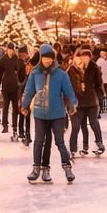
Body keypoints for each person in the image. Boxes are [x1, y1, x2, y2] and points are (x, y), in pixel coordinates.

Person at [22, 43, 78, 184]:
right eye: (45, 58)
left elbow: (69, 90)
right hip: (40, 113)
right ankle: (37, 169)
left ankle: (67, 168)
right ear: (41, 58)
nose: (47, 61)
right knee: (39, 142)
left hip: (57, 114)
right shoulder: (35, 73)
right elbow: (29, 91)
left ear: (54, 59)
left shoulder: (61, 74)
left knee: (59, 141)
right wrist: (24, 105)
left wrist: (73, 102)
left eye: (50, 59)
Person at [67, 46, 106, 157]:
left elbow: (99, 83)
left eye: (86, 57)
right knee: (79, 125)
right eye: (82, 57)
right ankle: (77, 148)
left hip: (92, 101)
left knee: (94, 123)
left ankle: (99, 144)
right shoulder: (72, 70)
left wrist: (100, 96)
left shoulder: (94, 67)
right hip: (78, 102)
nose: (84, 59)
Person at [0, 43, 28, 141]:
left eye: (12, 49)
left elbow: (21, 71)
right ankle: (5, 124)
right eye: (10, 49)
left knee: (15, 107)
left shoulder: (17, 59)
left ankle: (14, 126)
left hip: (15, 86)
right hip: (5, 86)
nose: (11, 51)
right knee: (5, 105)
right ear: (7, 49)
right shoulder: (2, 59)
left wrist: (21, 82)